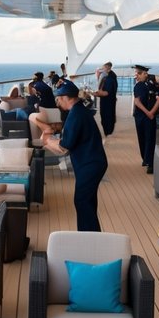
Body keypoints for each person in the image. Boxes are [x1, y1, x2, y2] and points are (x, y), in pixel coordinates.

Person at [43, 80, 108, 231]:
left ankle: (89, 238)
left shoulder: (76, 115)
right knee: (87, 202)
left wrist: (47, 141)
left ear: (67, 97)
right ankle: (91, 237)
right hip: (91, 163)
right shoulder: (78, 111)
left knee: (82, 201)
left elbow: (65, 146)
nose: (58, 103)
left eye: (59, 99)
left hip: (90, 165)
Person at [132, 65, 159, 172]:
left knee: (150, 138)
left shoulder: (151, 84)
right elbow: (137, 102)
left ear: (145, 74)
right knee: (143, 138)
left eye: (139, 73)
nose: (136, 76)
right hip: (142, 116)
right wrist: (148, 113)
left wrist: (151, 113)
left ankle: (150, 162)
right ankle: (147, 160)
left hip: (149, 116)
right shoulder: (138, 86)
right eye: (136, 74)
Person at [95, 61, 118, 137]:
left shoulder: (109, 79)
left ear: (107, 67)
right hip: (109, 102)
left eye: (103, 67)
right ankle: (108, 133)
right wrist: (98, 76)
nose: (102, 69)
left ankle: (108, 134)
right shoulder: (110, 76)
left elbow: (106, 93)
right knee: (108, 117)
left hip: (107, 102)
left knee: (106, 118)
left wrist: (94, 93)